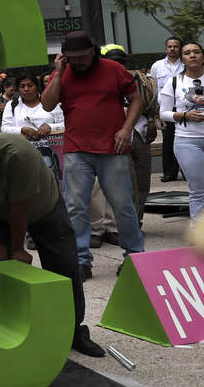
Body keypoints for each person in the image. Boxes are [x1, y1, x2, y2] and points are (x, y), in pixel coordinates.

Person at [0, 134, 105, 357]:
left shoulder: (19, 156)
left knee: (64, 267)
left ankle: (73, 332)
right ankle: (8, 328)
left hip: (43, 207)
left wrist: (18, 249)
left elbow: (20, 207)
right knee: (3, 269)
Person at [42, 31, 145, 279]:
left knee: (123, 206)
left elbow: (136, 99)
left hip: (113, 148)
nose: (78, 62)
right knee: (76, 206)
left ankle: (134, 256)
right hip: (77, 149)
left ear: (93, 51)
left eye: (83, 56)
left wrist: (126, 128)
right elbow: (46, 104)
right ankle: (80, 260)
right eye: (72, 57)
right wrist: (58, 72)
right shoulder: (63, 73)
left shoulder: (113, 69)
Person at [100, 44, 156, 225]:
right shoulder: (99, 83)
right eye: (112, 61)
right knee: (126, 184)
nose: (117, 65)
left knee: (143, 183)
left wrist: (152, 121)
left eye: (120, 62)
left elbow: (147, 103)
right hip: (115, 138)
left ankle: (137, 219)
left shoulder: (138, 79)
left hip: (140, 134)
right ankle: (125, 222)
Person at [158, 40, 204, 222]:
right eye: (187, 53)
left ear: (203, 57)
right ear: (182, 59)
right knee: (198, 190)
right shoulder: (173, 82)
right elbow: (163, 113)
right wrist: (184, 115)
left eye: (196, 52)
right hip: (187, 141)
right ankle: (198, 235)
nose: (192, 55)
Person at [0, 73, 63, 175]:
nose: (26, 89)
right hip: (22, 153)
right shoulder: (12, 105)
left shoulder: (50, 102)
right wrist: (23, 130)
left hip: (51, 151)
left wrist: (50, 127)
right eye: (22, 86)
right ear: (18, 89)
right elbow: (5, 128)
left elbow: (64, 124)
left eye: (30, 85)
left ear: (37, 87)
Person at [151, 36, 185, 182]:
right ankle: (169, 173)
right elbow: (153, 88)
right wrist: (154, 111)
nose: (172, 49)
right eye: (170, 46)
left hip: (184, 109)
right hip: (166, 110)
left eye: (175, 46)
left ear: (180, 48)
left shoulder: (186, 65)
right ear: (166, 48)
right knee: (168, 141)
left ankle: (187, 172)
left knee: (185, 141)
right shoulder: (157, 66)